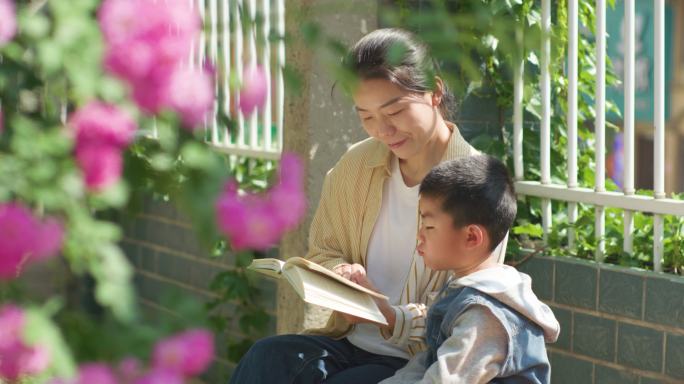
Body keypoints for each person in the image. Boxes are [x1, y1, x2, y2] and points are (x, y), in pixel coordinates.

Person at [229, 28, 508, 384]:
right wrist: (342, 273)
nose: (383, 130)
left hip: (423, 361)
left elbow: (468, 308)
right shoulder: (355, 166)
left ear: (435, 92)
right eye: (367, 116)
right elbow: (324, 252)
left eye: (395, 111)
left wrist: (392, 316)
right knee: (266, 359)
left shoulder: (477, 185)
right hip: (348, 342)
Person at [380, 155, 560, 384]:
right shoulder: (468, 288)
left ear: (472, 237)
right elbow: (428, 362)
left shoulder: (485, 315)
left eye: (429, 226)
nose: (419, 235)